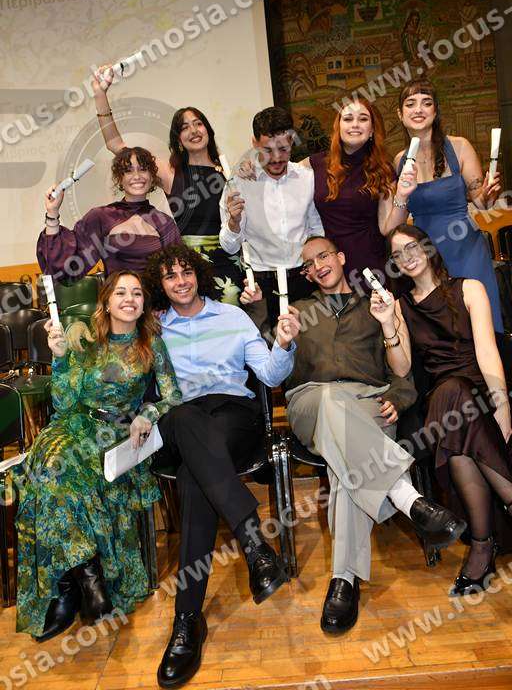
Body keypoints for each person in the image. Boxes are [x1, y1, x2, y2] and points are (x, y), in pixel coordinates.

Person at [241, 235, 465, 633]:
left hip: (369, 404)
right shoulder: (299, 311)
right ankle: (407, 497)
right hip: (312, 401)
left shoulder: (377, 305)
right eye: (309, 263)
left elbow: (402, 370)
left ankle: (343, 580)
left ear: (341, 257)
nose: (317, 265)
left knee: (346, 470)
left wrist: (398, 395)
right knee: (331, 403)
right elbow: (269, 360)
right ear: (307, 274)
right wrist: (261, 311)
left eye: (323, 255)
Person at [143, 244, 300, 689]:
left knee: (195, 478)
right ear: (161, 284)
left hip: (233, 416)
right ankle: (254, 544)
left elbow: (270, 375)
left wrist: (283, 343)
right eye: (170, 276)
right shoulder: (154, 329)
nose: (180, 281)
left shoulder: (233, 317)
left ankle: (187, 619)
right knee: (186, 416)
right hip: (180, 422)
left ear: (199, 275)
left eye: (186, 272)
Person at [14, 270, 182, 641]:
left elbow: (172, 396)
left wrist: (147, 413)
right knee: (52, 470)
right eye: (120, 292)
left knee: (59, 483)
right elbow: (63, 402)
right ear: (105, 302)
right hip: (73, 426)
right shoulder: (86, 339)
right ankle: (89, 584)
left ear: (144, 303)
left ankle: (71, 588)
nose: (129, 299)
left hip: (117, 434)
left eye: (136, 293)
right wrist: (60, 358)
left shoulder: (152, 344)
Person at [371, 224, 512, 596]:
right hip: (441, 399)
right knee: (450, 392)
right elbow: (402, 367)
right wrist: (387, 325)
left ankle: (482, 546)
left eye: (411, 247)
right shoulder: (401, 307)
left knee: (460, 445)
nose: (407, 258)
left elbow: (487, 353)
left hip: (478, 395)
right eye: (397, 255)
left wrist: (502, 406)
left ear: (428, 247)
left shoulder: (470, 288)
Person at [93, 67, 243, 303]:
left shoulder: (227, 171)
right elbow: (115, 145)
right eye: (185, 127)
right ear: (178, 139)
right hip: (187, 269)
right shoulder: (170, 172)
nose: (193, 131)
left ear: (207, 130)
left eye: (198, 124)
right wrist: (100, 94)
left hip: (230, 264)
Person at [392, 79, 503, 331]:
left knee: (478, 325)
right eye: (410, 104)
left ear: (435, 111)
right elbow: (394, 223)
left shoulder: (460, 146)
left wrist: (489, 194)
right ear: (400, 114)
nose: (418, 109)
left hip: (466, 250)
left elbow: (482, 203)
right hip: (424, 257)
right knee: (441, 331)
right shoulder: (398, 161)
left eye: (426, 103)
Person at [219, 106, 324, 331]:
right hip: (260, 286)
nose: (276, 158)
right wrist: (233, 222)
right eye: (267, 150)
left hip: (303, 279)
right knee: (264, 347)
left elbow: (316, 229)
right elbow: (229, 247)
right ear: (254, 143)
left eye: (283, 149)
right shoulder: (238, 184)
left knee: (308, 346)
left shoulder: (306, 178)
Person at [301, 99, 415, 291]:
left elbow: (388, 228)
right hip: (330, 266)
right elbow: (279, 172)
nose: (355, 124)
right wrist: (251, 167)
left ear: (372, 130)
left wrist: (403, 196)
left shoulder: (383, 169)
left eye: (363, 119)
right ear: (338, 127)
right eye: (348, 119)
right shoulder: (315, 163)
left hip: (372, 265)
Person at [38, 146, 181, 281]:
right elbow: (66, 269)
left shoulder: (164, 222)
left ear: (152, 177)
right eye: (128, 171)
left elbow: (177, 271)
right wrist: (52, 212)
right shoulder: (101, 217)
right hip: (117, 298)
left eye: (143, 169)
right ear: (119, 178)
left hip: (156, 299)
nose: (137, 176)